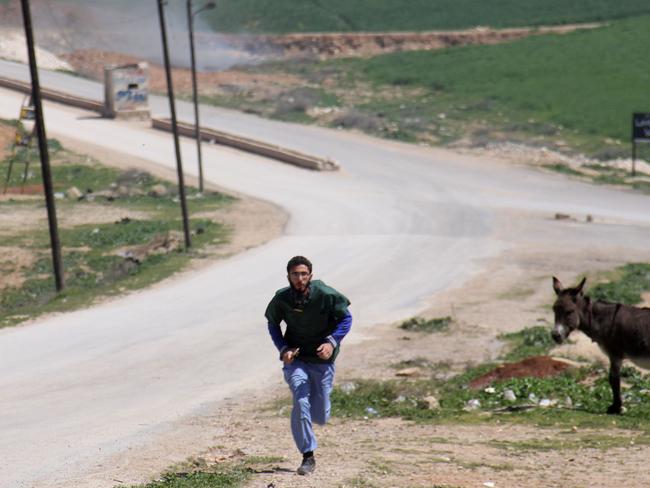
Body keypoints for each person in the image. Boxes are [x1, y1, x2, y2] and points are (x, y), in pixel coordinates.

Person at [265, 255, 352, 475]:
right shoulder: (282, 299)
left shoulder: (326, 295)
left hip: (322, 359)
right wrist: (284, 348)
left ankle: (315, 416)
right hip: (297, 359)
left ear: (310, 276)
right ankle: (308, 456)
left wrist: (332, 343)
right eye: (295, 274)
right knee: (301, 400)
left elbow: (346, 318)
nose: (300, 278)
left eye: (304, 274)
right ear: (288, 276)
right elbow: (273, 323)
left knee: (320, 408)